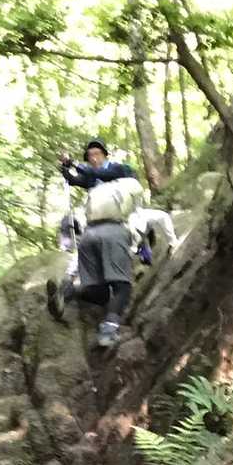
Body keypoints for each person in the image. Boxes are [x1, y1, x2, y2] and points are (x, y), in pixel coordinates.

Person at [47, 138, 142, 349]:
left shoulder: (119, 169)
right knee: (122, 285)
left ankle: (67, 292)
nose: (93, 158)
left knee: (99, 293)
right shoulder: (94, 176)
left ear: (106, 155)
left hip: (90, 235)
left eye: (97, 154)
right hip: (110, 230)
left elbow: (101, 174)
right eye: (90, 156)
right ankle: (108, 331)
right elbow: (76, 180)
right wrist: (66, 171)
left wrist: (74, 163)